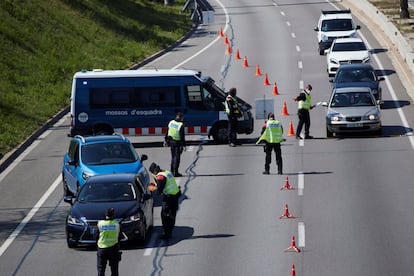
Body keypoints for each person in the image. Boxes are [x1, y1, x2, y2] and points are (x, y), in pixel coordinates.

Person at [149, 162, 182, 240]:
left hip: (169, 198)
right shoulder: (166, 172)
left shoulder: (160, 177)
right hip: (175, 195)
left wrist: (153, 190)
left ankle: (167, 233)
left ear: (154, 171)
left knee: (165, 215)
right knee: (172, 214)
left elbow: (159, 190)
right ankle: (169, 231)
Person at [97, 208, 121, 276]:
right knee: (114, 269)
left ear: (105, 215)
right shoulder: (117, 224)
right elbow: (119, 236)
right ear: (113, 215)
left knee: (101, 269)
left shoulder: (100, 223)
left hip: (102, 248)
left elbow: (96, 236)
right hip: (113, 248)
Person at [165, 112, 186, 177]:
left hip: (171, 142)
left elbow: (167, 131)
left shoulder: (171, 122)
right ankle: (175, 172)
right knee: (177, 158)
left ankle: (172, 171)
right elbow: (182, 136)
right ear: (181, 117)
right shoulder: (181, 125)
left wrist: (166, 140)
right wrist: (184, 145)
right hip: (177, 143)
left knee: (173, 157)